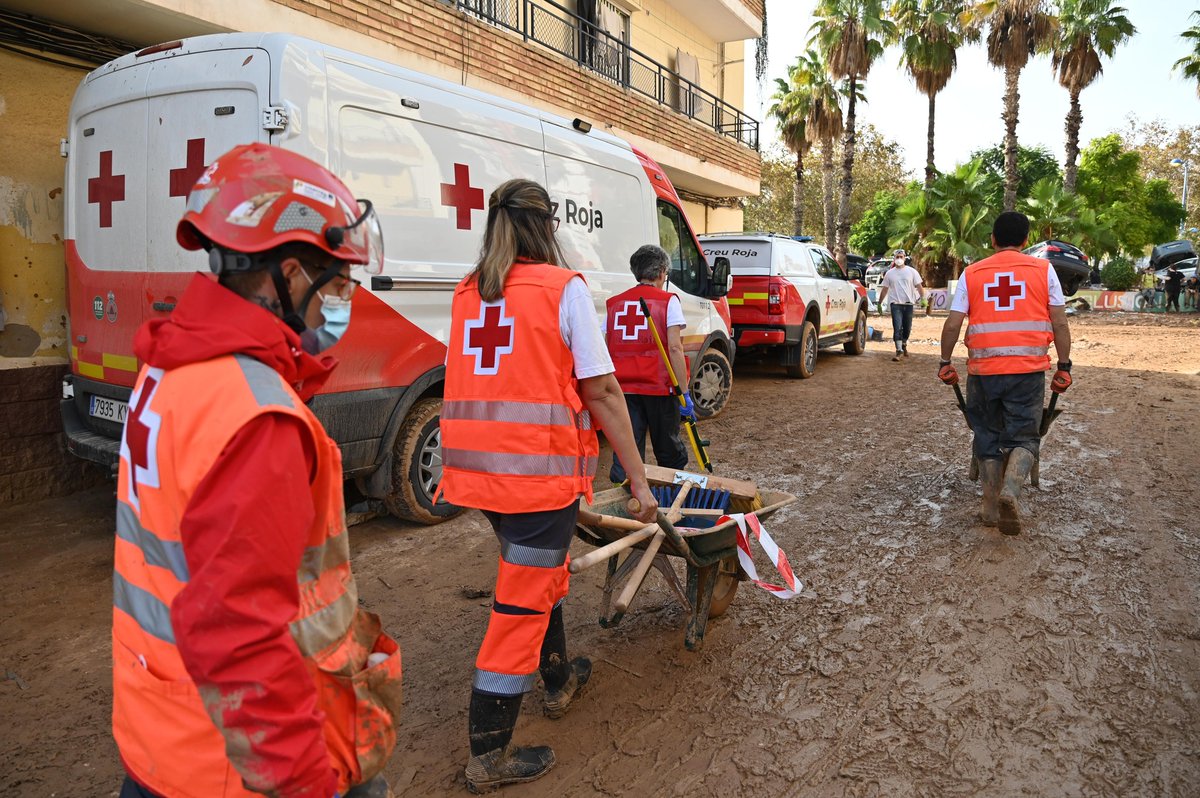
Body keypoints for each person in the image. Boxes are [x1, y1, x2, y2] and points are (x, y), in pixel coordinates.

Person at [112, 143, 401, 798]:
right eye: (337, 285)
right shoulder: (257, 417)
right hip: (235, 764)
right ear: (291, 276)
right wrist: (305, 784)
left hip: (161, 724)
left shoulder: (171, 370)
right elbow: (238, 635)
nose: (341, 303)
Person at [438, 178, 659, 792]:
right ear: (548, 226)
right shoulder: (563, 291)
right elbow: (604, 392)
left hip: (477, 478)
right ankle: (488, 751)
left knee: (534, 579)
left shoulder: (465, 291)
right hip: (535, 482)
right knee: (517, 609)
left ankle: (558, 680)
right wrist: (638, 483)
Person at [937, 211, 1072, 536]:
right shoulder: (1043, 270)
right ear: (1026, 241)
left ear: (993, 240)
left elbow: (954, 322)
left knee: (986, 433)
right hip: (1027, 371)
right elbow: (1060, 321)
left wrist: (945, 361)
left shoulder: (973, 272)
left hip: (984, 370)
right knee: (1025, 435)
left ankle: (989, 505)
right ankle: (1011, 490)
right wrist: (1064, 366)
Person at [603, 244, 691, 483]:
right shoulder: (668, 301)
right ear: (662, 271)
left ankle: (625, 500)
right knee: (668, 450)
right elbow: (674, 348)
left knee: (627, 448)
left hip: (623, 391)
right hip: (660, 388)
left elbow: (603, 345)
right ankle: (672, 497)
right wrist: (684, 393)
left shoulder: (614, 304)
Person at [877, 248, 926, 361]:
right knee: (897, 326)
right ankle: (898, 350)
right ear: (894, 259)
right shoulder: (889, 273)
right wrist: (879, 303)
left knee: (907, 328)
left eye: (901, 257)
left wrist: (923, 298)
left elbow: (919, 286)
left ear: (905, 258)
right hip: (895, 304)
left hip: (908, 304)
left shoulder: (912, 272)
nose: (899, 259)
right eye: (897, 257)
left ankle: (904, 343)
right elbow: (885, 289)